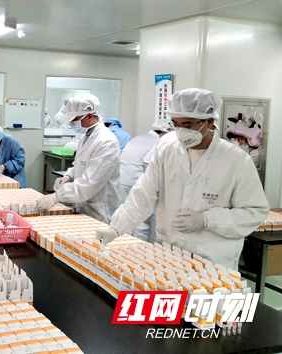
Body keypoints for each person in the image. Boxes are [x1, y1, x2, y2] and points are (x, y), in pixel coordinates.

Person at [98, 88, 270, 270]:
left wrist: (207, 220)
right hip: (169, 254)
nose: (180, 131)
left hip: (212, 260)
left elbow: (254, 212)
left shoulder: (236, 160)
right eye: (175, 124)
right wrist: (116, 228)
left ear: (209, 121)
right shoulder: (167, 151)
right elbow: (143, 195)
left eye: (187, 125)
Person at [37, 95, 120, 223]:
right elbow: (79, 164)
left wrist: (57, 196)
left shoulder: (106, 142)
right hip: (83, 207)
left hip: (99, 212)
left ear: (90, 116)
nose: (72, 124)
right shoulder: (86, 137)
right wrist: (68, 176)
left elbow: (90, 183)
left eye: (75, 119)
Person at [118, 121, 171, 242]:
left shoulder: (138, 138)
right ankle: (138, 247)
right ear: (164, 133)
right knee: (143, 221)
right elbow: (148, 164)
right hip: (137, 182)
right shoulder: (158, 142)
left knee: (126, 216)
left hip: (122, 181)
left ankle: (123, 244)